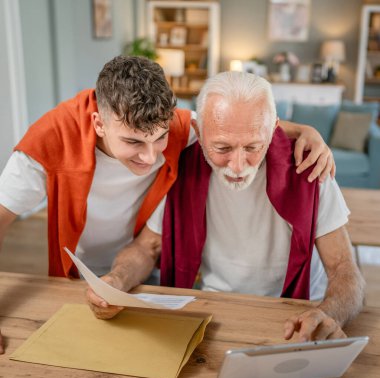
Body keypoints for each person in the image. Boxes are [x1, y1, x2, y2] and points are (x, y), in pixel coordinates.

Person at [0, 57, 333, 353]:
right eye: (132, 142)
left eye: (159, 138)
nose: (150, 157)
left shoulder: (178, 127)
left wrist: (307, 131)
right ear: (99, 123)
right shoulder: (48, 141)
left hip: (148, 274)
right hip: (79, 275)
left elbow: (244, 128)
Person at [88, 72, 364, 344]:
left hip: (298, 312)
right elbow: (146, 248)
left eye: (253, 146)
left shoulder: (309, 167)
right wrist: (116, 280)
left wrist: (329, 314)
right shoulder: (183, 167)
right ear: (198, 132)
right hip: (217, 309)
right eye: (222, 147)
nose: (238, 165)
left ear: (273, 131)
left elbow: (345, 269)